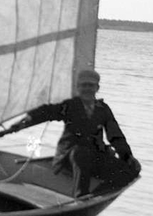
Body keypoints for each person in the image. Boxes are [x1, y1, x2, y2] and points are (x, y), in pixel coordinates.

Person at [18, 68, 141, 198]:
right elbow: (48, 112)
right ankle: (81, 195)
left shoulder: (103, 109)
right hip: (69, 157)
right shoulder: (70, 105)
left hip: (94, 156)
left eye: (91, 85)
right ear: (78, 88)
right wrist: (27, 119)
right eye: (84, 85)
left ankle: (97, 194)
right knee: (81, 152)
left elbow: (115, 136)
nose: (87, 89)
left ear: (97, 88)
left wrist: (127, 156)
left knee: (132, 169)